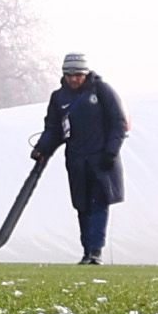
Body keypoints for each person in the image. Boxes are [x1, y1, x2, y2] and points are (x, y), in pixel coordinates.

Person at [33, 55, 128, 263]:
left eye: (78, 75)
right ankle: (87, 251)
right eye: (69, 75)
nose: (74, 79)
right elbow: (53, 129)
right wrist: (42, 148)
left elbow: (119, 123)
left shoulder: (102, 90)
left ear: (85, 74)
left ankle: (96, 251)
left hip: (102, 160)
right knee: (82, 205)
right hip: (76, 160)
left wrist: (111, 152)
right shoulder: (59, 97)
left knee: (99, 204)